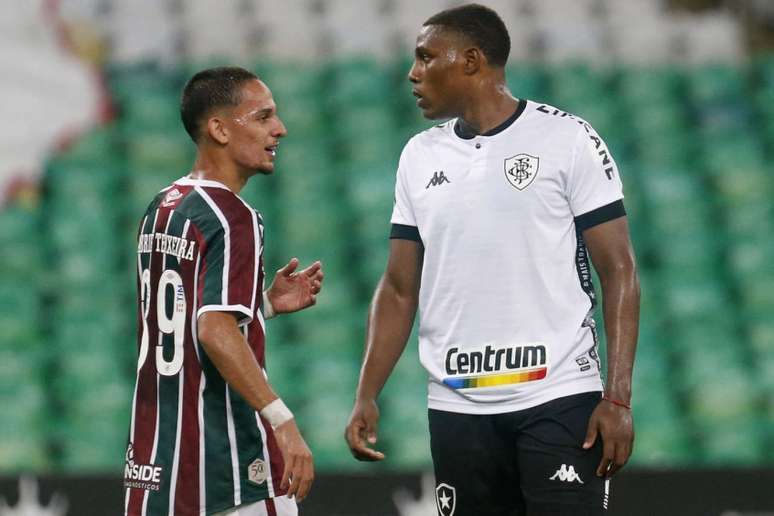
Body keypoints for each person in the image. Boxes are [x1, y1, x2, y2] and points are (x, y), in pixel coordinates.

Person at [345, 4, 640, 515]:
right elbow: (397, 287)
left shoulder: (567, 139)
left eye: (426, 57)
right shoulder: (419, 156)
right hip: (458, 404)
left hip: (559, 395)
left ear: (472, 61)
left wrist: (616, 398)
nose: (413, 73)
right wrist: (367, 393)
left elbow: (619, 270)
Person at [125, 67, 323, 516]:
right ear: (218, 129)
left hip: (157, 457)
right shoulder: (234, 216)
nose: (280, 129)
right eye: (263, 116)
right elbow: (213, 329)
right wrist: (283, 421)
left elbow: (178, 319)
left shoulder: (163, 206)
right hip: (229, 463)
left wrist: (262, 306)